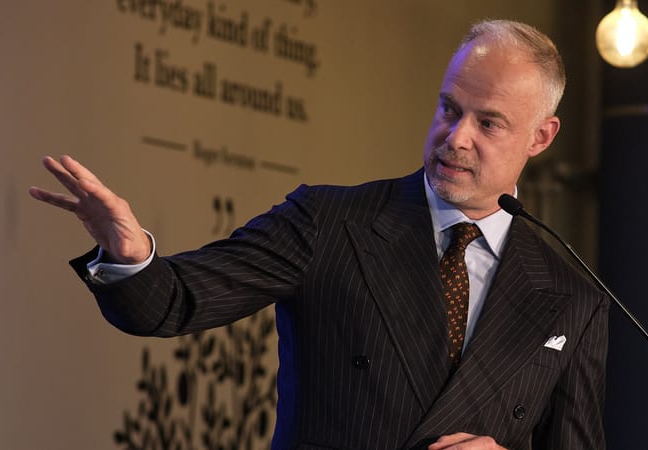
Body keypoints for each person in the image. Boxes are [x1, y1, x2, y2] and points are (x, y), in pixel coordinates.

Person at [31, 20, 608, 450]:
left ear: (541, 137)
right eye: (448, 109)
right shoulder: (330, 222)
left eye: (488, 123)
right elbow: (174, 302)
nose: (456, 137)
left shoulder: (572, 296)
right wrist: (131, 256)